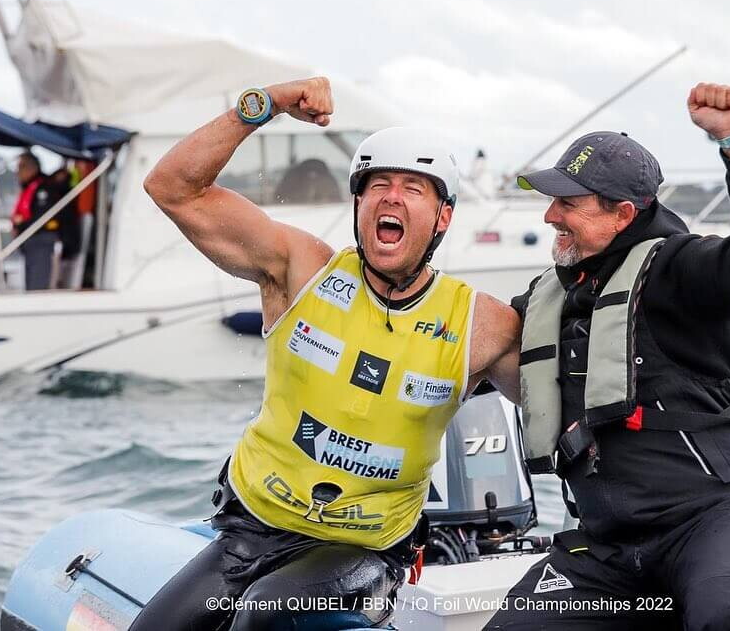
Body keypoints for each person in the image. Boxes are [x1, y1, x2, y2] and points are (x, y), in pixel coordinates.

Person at [130, 77, 521, 630]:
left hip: (363, 547)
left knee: (262, 615)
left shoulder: (482, 324)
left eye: (413, 188)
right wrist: (266, 103)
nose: (391, 197)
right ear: (359, 203)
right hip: (253, 529)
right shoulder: (301, 270)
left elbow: (565, 409)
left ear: (443, 217)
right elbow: (173, 187)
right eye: (378, 184)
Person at [485, 83, 730, 630]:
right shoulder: (547, 298)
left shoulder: (682, 270)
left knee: (724, 616)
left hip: (715, 521)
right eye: (553, 201)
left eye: (569, 203)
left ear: (623, 213)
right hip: (607, 546)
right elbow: (464, 352)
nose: (551, 216)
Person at [11, 151, 62, 290]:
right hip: (30, 241)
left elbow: (42, 217)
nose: (17, 172)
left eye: (20, 167)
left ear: (32, 168)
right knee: (31, 286)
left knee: (37, 287)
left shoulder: (44, 188)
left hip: (41, 241)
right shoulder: (30, 187)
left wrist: (21, 225)